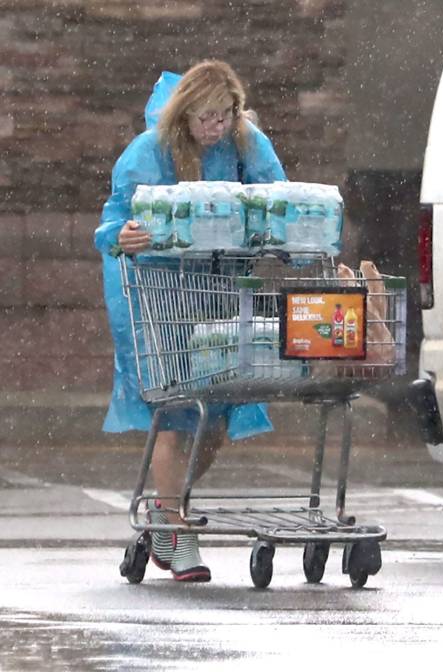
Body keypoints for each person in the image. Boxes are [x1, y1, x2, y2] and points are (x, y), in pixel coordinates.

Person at [95, 60, 286, 582]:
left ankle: (165, 506)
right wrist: (122, 235)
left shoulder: (248, 145)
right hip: (156, 292)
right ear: (184, 114)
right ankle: (175, 529)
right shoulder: (149, 151)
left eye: (224, 115)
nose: (215, 127)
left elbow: (280, 201)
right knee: (176, 404)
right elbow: (112, 220)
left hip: (216, 286)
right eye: (206, 117)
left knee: (218, 410)